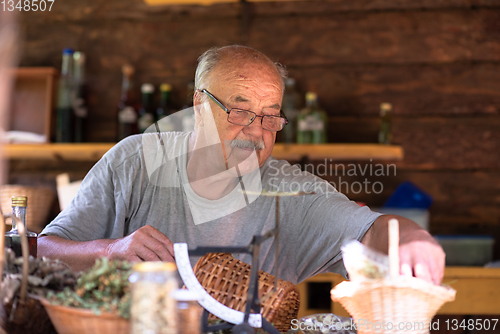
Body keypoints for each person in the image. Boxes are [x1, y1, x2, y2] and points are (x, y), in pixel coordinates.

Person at [38, 45, 445, 285]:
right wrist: (113, 250)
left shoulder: (294, 193)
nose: (257, 131)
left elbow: (372, 229)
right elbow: (41, 249)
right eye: (240, 111)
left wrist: (410, 238)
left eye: (271, 116)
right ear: (199, 106)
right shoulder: (135, 160)